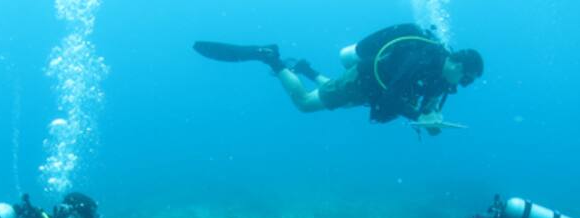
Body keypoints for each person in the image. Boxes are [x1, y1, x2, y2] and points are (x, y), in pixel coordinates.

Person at [193, 23, 483, 134]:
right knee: (305, 104)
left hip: (369, 89)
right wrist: (420, 114)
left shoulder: (443, 79)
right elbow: (395, 96)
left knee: (341, 102)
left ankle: (307, 70)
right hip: (363, 81)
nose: (461, 85)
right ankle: (270, 57)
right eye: (465, 78)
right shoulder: (420, 57)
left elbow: (426, 110)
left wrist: (431, 120)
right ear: (456, 62)